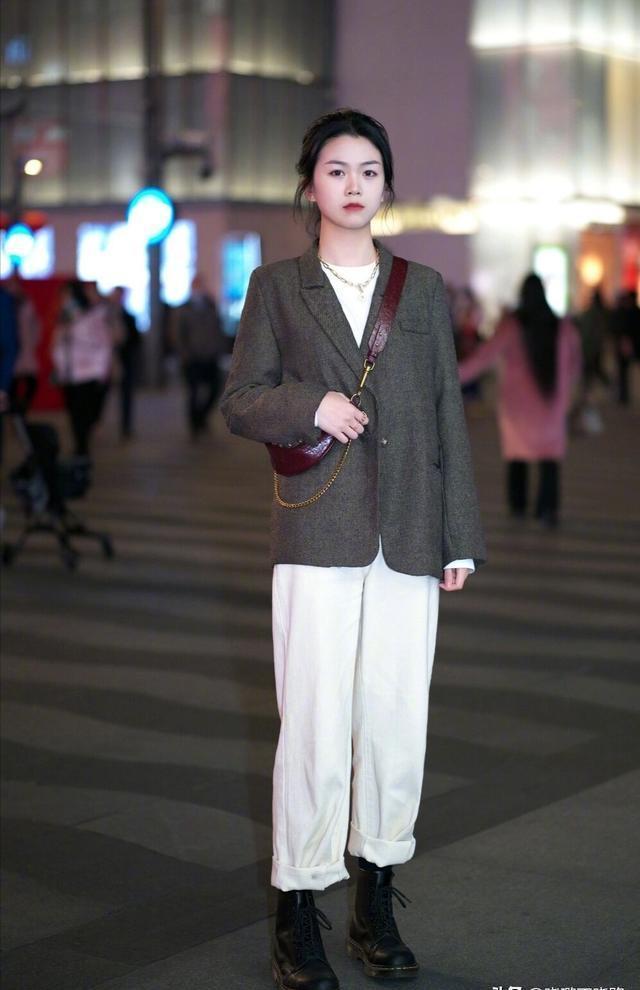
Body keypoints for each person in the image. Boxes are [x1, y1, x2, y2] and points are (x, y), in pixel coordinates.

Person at [220, 108, 486, 990]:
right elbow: (241, 400)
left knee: (396, 721)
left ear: (386, 185)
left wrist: (459, 536)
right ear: (311, 185)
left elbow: (447, 413)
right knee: (314, 723)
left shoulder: (424, 289)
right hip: (317, 530)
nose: (353, 185)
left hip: (409, 532)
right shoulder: (276, 286)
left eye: (369, 171)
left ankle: (376, 900)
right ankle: (297, 911)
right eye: (337, 170)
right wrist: (312, 406)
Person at [459, 273, 581, 527]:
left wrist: (452, 375)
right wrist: (568, 392)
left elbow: (483, 358)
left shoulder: (512, 327)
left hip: (518, 408)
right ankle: (547, 508)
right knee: (550, 458)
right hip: (551, 404)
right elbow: (574, 365)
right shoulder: (562, 327)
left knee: (517, 456)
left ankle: (518, 505)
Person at [51, 281, 119, 459]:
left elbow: (104, 345)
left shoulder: (95, 316)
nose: (65, 300)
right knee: (73, 412)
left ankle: (82, 448)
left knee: (83, 412)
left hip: (88, 373)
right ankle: (80, 446)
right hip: (69, 373)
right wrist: (60, 365)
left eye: (68, 296)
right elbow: (59, 344)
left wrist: (100, 370)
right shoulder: (65, 317)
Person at [175, 274, 226, 438]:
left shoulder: (210, 305)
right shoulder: (184, 308)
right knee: (193, 392)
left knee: (215, 389)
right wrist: (184, 353)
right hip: (192, 358)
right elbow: (178, 333)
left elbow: (217, 328)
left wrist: (218, 349)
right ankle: (194, 426)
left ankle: (201, 417)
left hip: (210, 356)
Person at [5, 275, 42, 414]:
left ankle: (22, 409)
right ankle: (13, 412)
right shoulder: (5, 305)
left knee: (31, 381)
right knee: (11, 384)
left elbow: (36, 324)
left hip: (26, 349)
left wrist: (32, 342)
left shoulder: (26, 303)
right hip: (9, 351)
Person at [109, 286, 141, 439]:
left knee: (126, 395)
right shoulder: (103, 316)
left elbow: (136, 340)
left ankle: (126, 426)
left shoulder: (129, 317)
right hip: (105, 362)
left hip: (125, 360)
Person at [611, 289, 640, 406]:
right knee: (623, 372)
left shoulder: (626, 312)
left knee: (623, 372)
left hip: (627, 346)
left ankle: (623, 396)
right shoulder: (631, 312)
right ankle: (623, 395)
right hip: (629, 346)